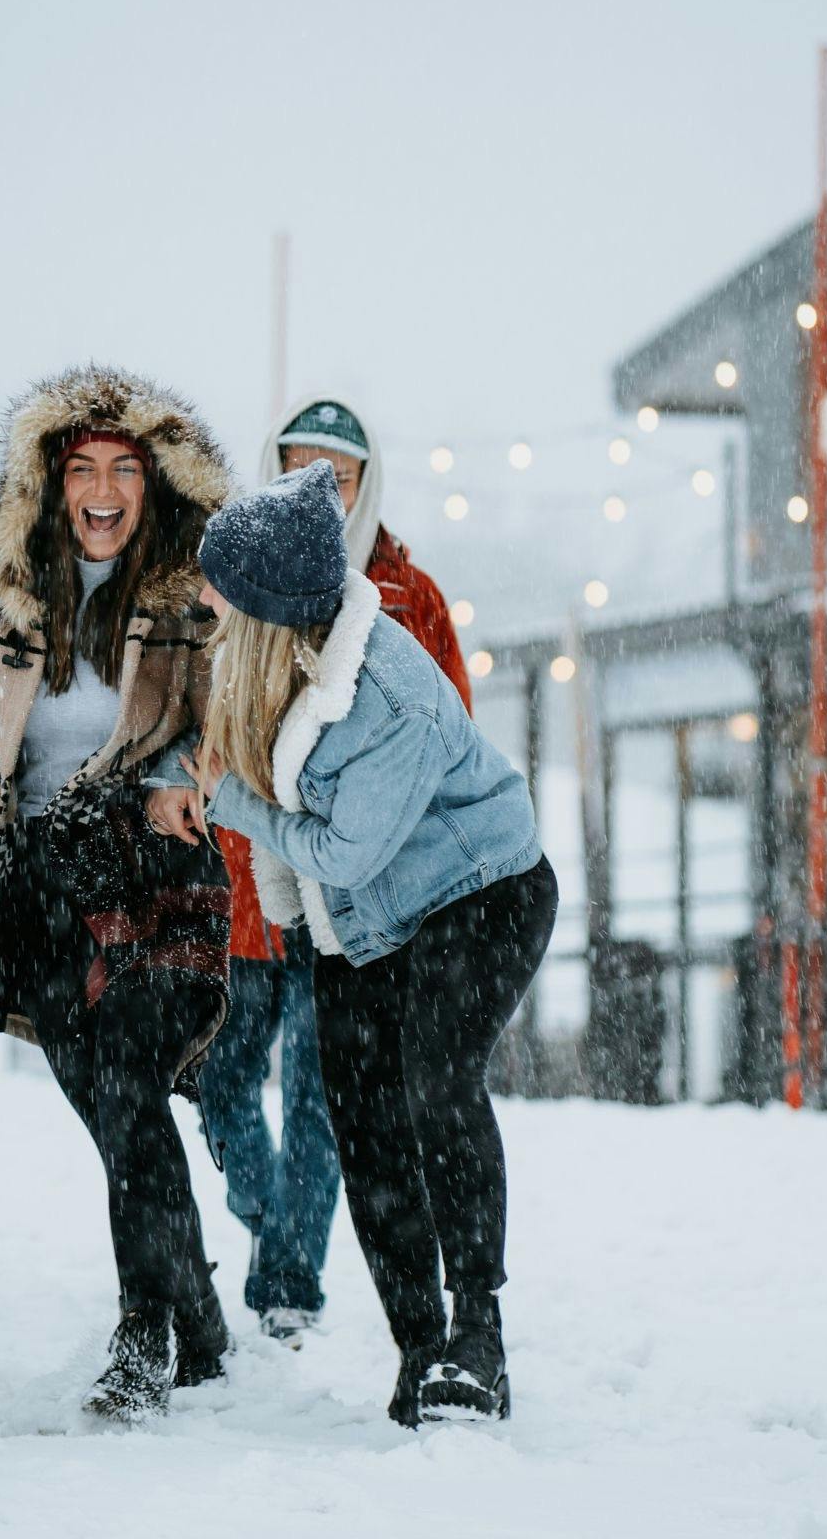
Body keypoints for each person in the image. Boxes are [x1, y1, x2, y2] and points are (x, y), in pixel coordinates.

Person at [191, 461, 555, 1427]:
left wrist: (229, 802)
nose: (204, 603)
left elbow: (346, 852)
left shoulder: (383, 691)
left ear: (269, 601)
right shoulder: (263, 662)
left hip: (483, 891)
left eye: (220, 588)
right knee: (363, 1125)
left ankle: (477, 1336)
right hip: (363, 922)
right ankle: (419, 1349)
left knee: (435, 1079)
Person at [0, 366, 237, 1422]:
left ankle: (143, 1336)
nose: (103, 491)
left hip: (157, 883)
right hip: (43, 900)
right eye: (81, 470)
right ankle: (196, 1313)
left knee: (126, 1090)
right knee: (123, 1118)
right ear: (48, 486)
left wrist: (167, 781)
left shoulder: (196, 598)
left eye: (124, 471)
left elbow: (227, 724)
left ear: (154, 487)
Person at [205, 396, 473, 1346]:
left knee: (320, 1096)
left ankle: (286, 1281)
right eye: (297, 466)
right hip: (247, 892)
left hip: (354, 900)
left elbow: (449, 741)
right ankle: (271, 1214)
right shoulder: (238, 576)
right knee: (218, 1080)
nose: (319, 488)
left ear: (369, 481)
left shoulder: (411, 597)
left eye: (340, 471)